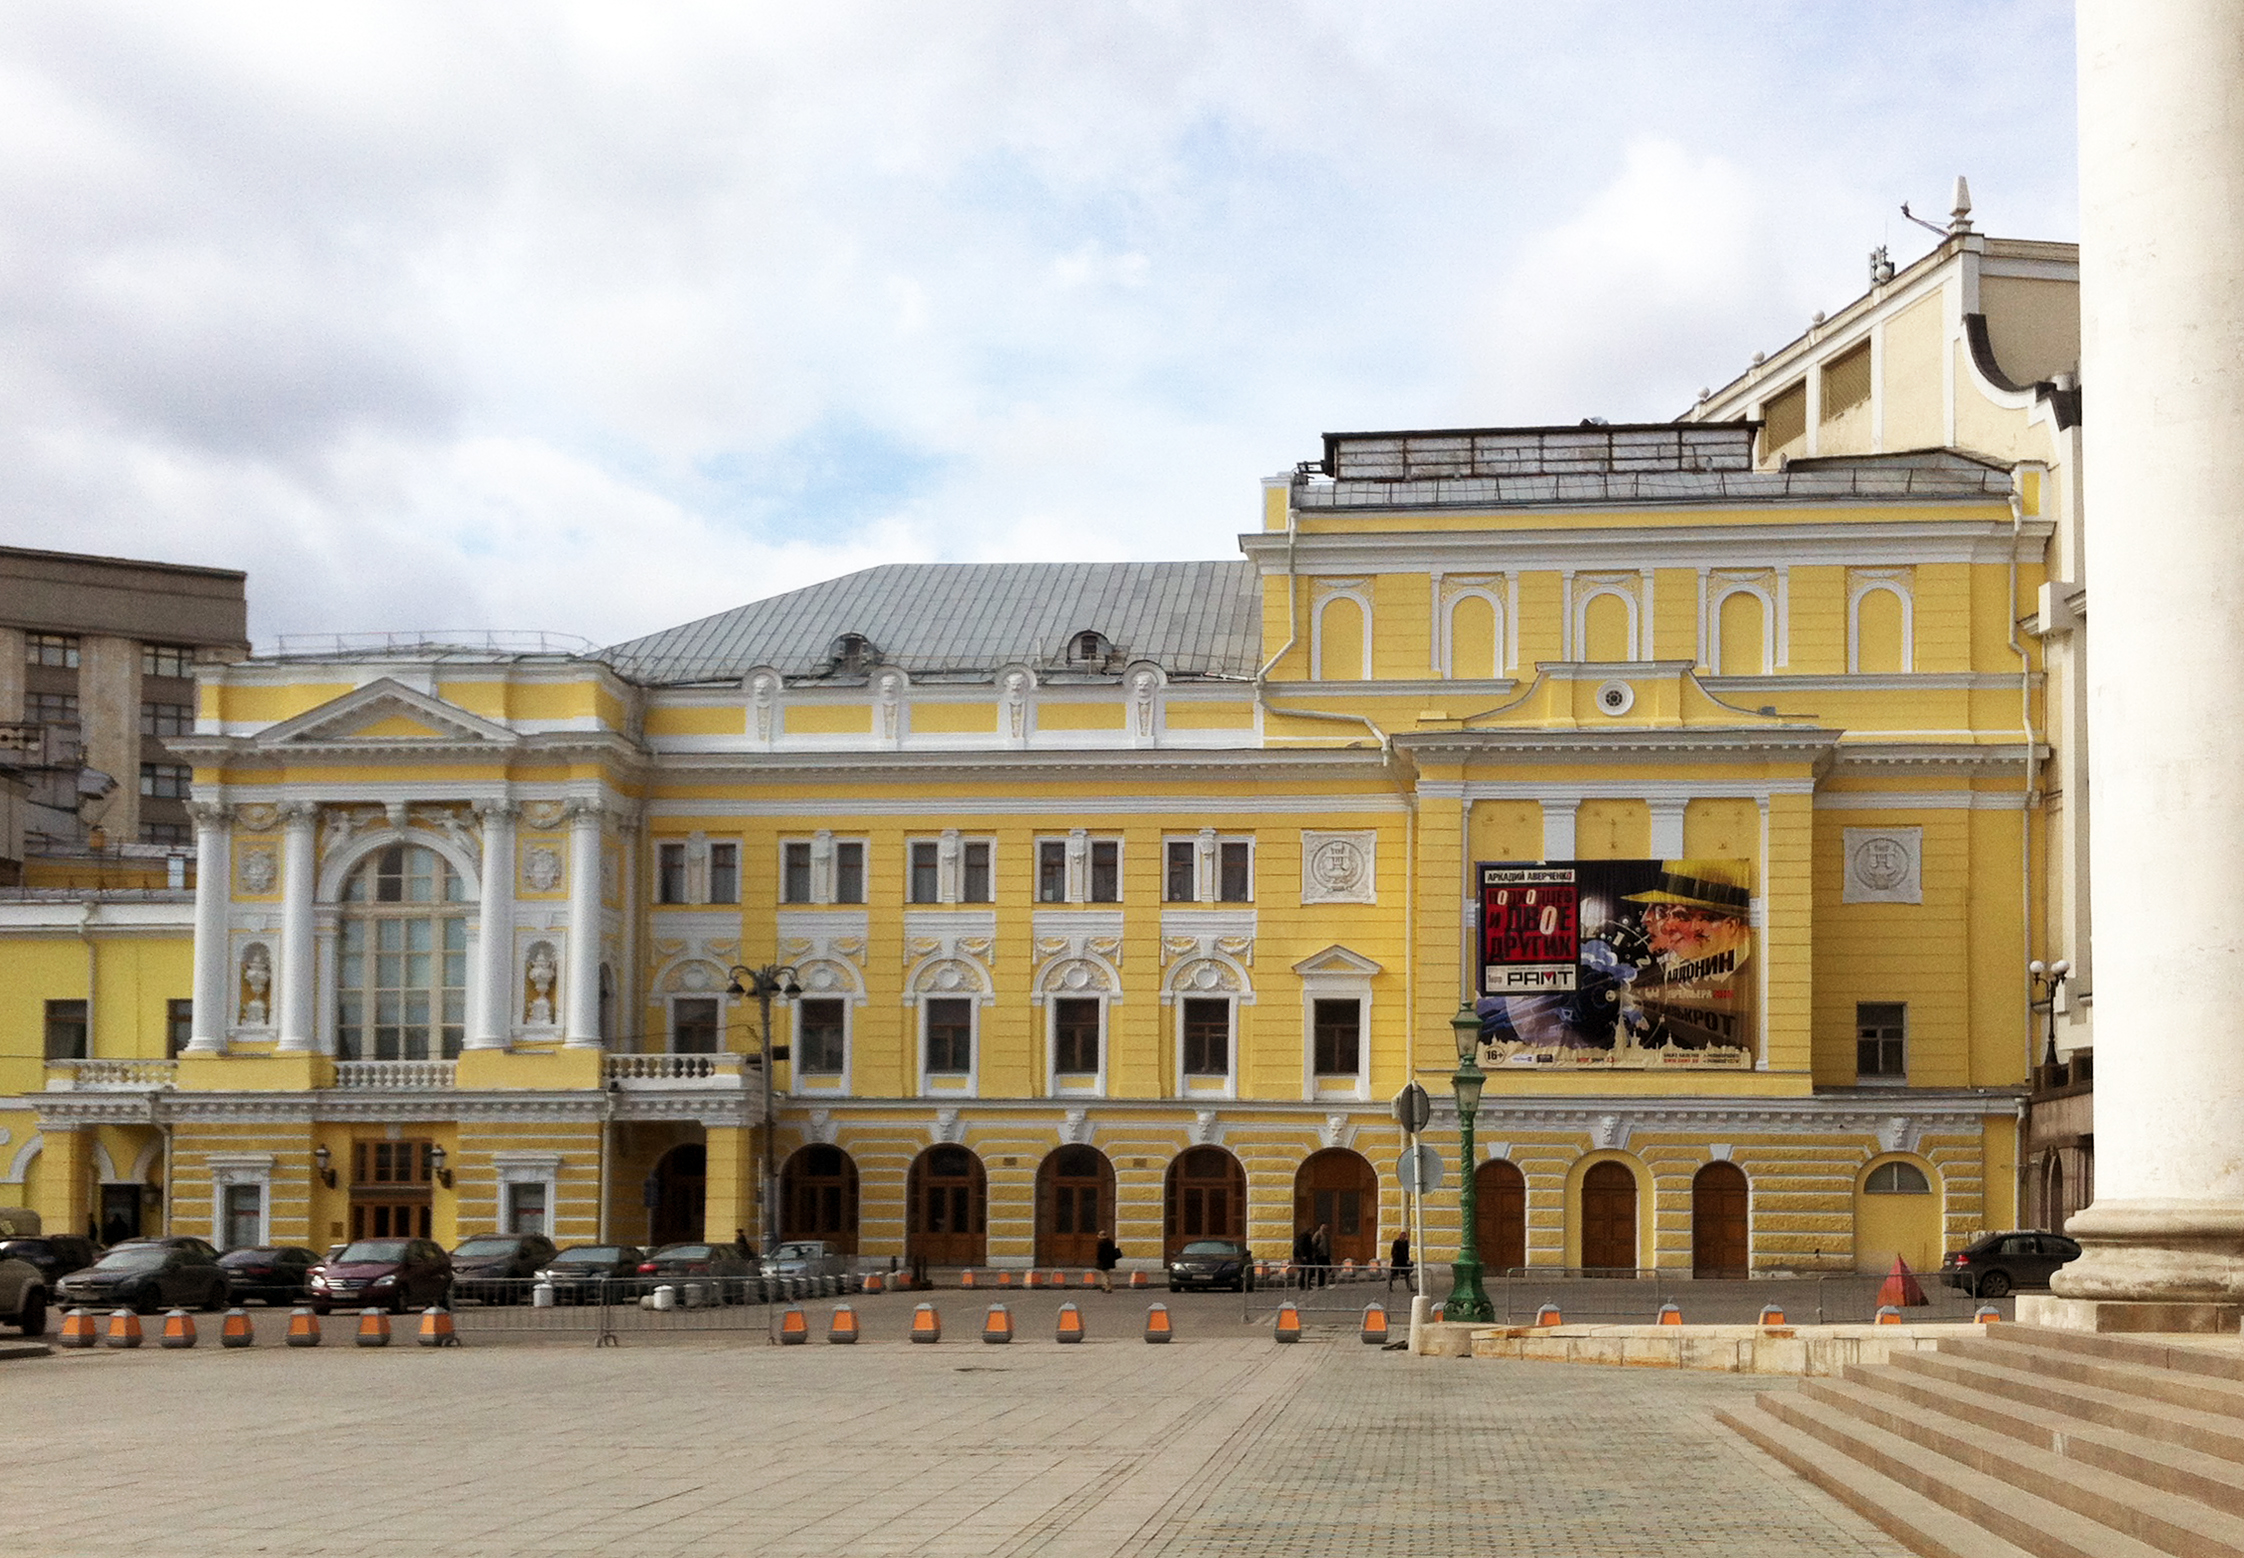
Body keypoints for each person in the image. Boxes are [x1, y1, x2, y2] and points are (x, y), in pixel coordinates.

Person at [1311, 1224, 1332, 1288]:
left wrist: (1330, 1253)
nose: (1325, 1230)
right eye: (1324, 1228)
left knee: (1328, 1268)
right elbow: (1314, 1243)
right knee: (1320, 1270)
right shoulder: (1318, 1235)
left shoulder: (1327, 1235)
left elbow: (1328, 1245)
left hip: (1326, 1255)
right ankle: (1320, 1283)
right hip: (1320, 1255)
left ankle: (1324, 1282)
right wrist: (1317, 1252)